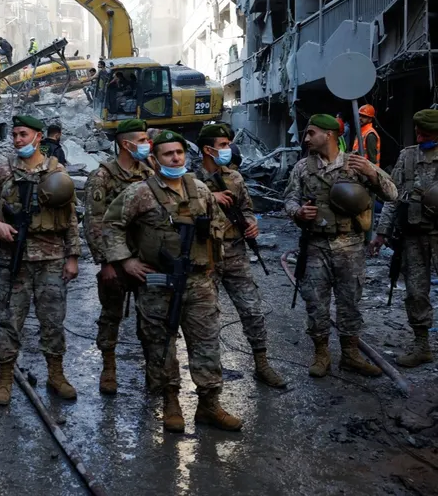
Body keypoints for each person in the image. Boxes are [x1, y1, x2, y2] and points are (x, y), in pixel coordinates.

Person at [103, 130, 241, 433]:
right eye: (168, 154)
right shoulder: (140, 193)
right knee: (160, 344)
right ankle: (170, 402)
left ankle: (209, 404)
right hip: (158, 281)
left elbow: (218, 225)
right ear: (155, 159)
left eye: (179, 152)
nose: (175, 158)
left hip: (198, 280)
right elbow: (111, 225)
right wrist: (125, 261)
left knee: (206, 342)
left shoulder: (200, 189)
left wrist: (212, 264)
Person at [282, 114, 397, 378]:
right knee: (316, 303)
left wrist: (371, 173)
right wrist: (298, 212)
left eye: (311, 133)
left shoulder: (356, 164)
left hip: (350, 246)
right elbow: (289, 199)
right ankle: (321, 354)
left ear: (329, 135)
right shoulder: (302, 167)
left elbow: (392, 194)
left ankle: (351, 355)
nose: (306, 138)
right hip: (315, 246)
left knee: (350, 302)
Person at [0, 115, 81, 405]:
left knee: (53, 321)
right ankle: (4, 379)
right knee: (10, 321)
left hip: (51, 258)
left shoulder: (56, 171)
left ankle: (56, 375)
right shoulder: (3, 171)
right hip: (15, 259)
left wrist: (73, 257)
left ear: (38, 136)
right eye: (14, 135)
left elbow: (71, 217)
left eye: (23, 134)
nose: (18, 140)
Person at [196, 123, 286, 388]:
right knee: (206, 317)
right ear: (208, 149)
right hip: (205, 256)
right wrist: (209, 197)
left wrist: (251, 223)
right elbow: (180, 212)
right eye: (223, 145)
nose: (229, 149)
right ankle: (209, 374)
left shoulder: (234, 177)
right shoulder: (190, 180)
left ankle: (262, 363)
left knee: (252, 309)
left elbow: (246, 208)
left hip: (235, 251)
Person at [82, 119, 153, 394]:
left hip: (145, 259)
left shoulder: (149, 173)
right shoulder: (102, 177)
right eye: (143, 140)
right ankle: (108, 367)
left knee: (150, 316)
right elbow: (94, 222)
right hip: (115, 261)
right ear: (126, 144)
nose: (148, 145)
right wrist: (106, 262)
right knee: (111, 315)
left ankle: (152, 368)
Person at [370, 108, 438, 367]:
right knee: (416, 292)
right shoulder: (407, 156)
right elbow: (392, 198)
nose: (420, 138)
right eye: (418, 133)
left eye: (426, 135)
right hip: (413, 236)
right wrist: (381, 233)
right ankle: (422, 345)